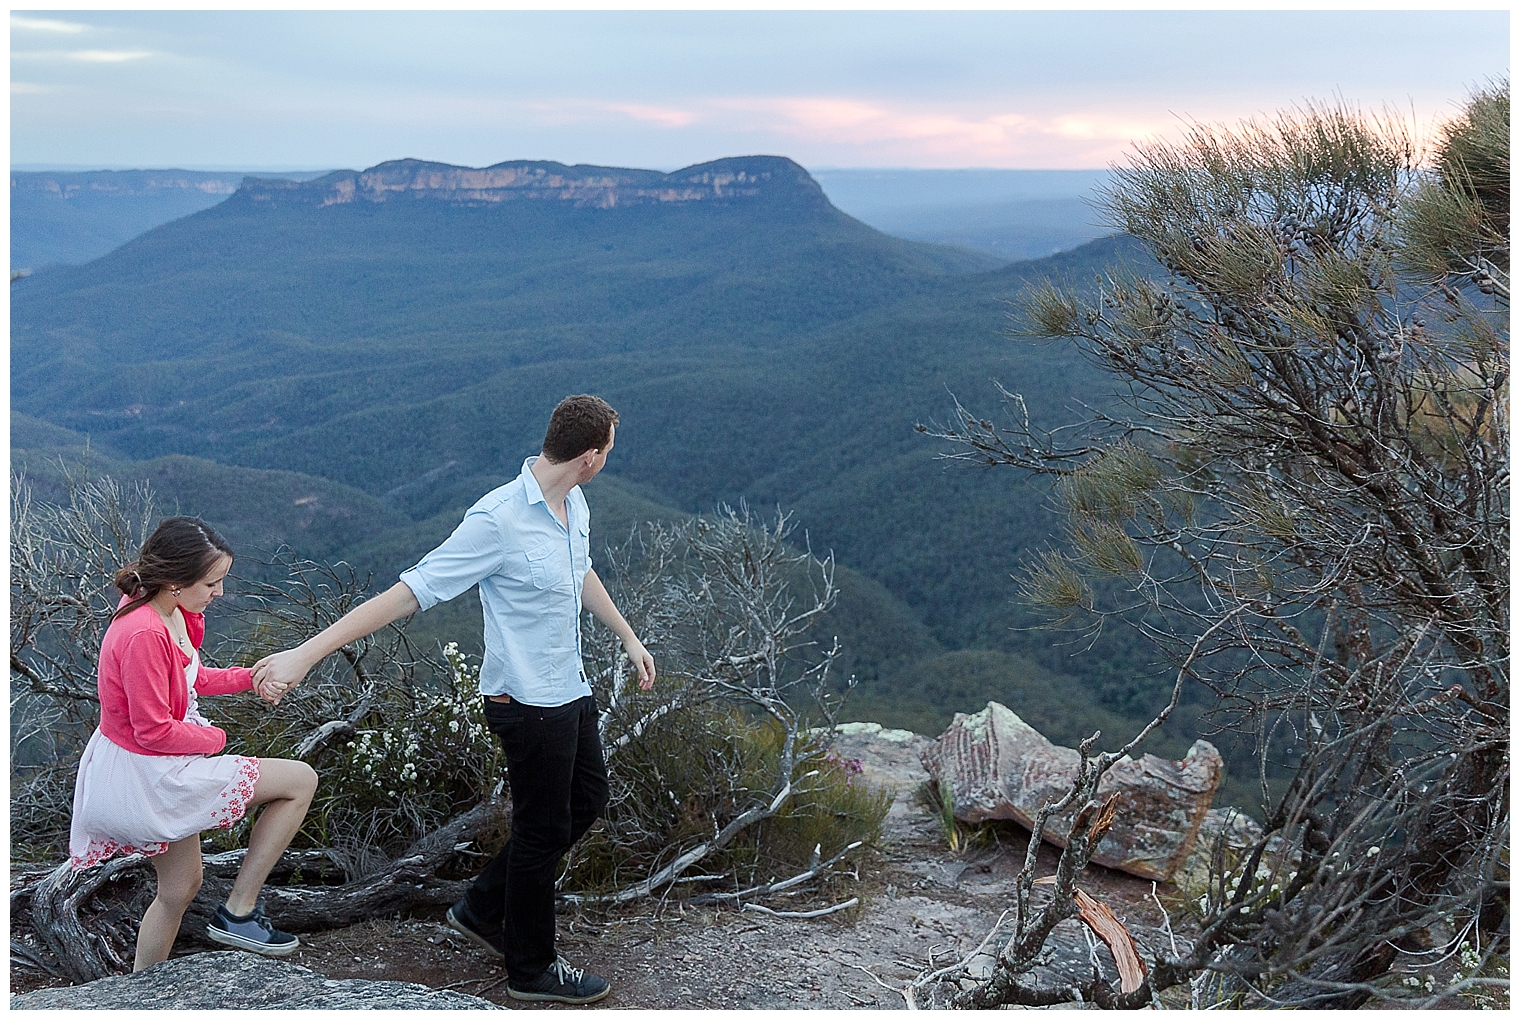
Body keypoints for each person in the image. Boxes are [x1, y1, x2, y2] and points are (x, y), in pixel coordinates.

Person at [253, 394, 654, 1005]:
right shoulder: (496, 520)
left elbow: (581, 571)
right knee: (543, 829)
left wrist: (626, 635)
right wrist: (307, 654)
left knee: (587, 799)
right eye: (609, 452)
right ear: (591, 456)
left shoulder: (573, 502)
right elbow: (410, 591)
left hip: (568, 686)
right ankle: (531, 968)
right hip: (525, 701)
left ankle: (482, 907)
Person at [69, 516, 319, 970]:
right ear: (176, 582)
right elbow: (153, 730)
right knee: (300, 780)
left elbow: (193, 677)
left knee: (180, 888)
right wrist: (217, 739)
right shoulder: (145, 632)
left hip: (158, 761)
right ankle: (239, 911)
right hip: (150, 770)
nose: (219, 593)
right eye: (212, 582)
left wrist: (250, 677)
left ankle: (140, 992)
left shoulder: (169, 611)